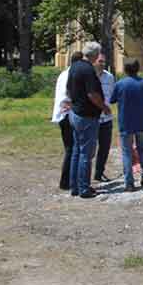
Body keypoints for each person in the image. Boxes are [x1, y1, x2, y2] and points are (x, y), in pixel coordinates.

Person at [66, 42, 110, 199]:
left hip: (75, 113)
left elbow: (69, 89)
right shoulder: (88, 70)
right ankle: (84, 188)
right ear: (95, 54)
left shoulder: (75, 66)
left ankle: (75, 186)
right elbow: (92, 94)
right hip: (87, 116)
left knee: (77, 151)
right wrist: (104, 106)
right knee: (86, 153)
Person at [112, 59, 143, 191]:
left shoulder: (120, 84)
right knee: (142, 149)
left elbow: (112, 99)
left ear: (125, 69)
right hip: (142, 123)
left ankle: (129, 183)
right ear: (138, 69)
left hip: (125, 123)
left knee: (127, 152)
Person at [51, 51, 82, 191]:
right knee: (71, 149)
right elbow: (67, 96)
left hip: (62, 115)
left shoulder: (64, 73)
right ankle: (66, 181)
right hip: (67, 115)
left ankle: (69, 180)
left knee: (70, 149)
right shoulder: (72, 75)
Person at [93, 52, 117, 184]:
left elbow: (113, 95)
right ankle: (84, 175)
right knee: (89, 149)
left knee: (105, 147)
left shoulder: (109, 77)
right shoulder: (88, 76)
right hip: (92, 119)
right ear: (94, 61)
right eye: (100, 61)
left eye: (103, 61)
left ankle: (99, 173)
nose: (102, 64)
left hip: (106, 119)